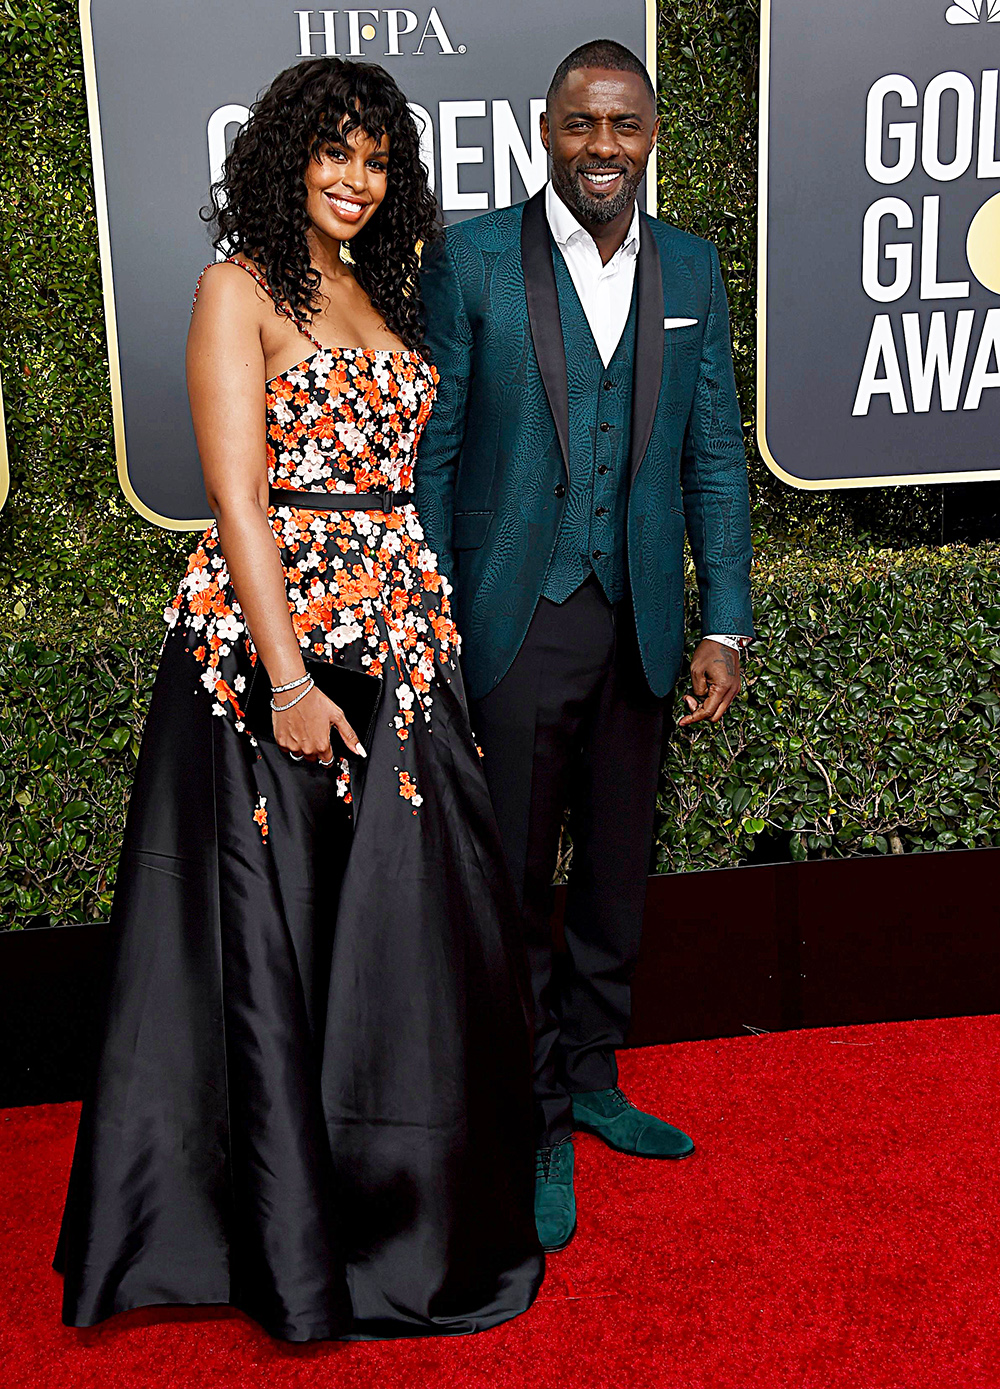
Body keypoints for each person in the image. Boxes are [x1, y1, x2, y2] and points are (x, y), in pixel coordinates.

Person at [55, 57, 543, 1342]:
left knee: (401, 944)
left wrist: (413, 636)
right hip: (282, 661)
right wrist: (283, 681)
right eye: (333, 152)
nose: (356, 178)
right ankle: (277, 1236)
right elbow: (240, 501)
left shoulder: (373, 290)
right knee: (288, 939)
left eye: (377, 159)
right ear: (285, 158)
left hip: (399, 645)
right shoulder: (240, 287)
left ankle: (396, 1214)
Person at [416, 38, 754, 1253]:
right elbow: (432, 458)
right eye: (578, 125)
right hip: (511, 625)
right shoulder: (467, 262)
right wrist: (435, 628)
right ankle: (537, 1105)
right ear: (542, 130)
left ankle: (598, 1074)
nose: (600, 147)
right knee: (507, 879)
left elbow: (714, 451)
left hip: (642, 626)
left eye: (622, 125)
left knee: (616, 863)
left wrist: (723, 619)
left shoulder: (695, 269)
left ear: (650, 132)